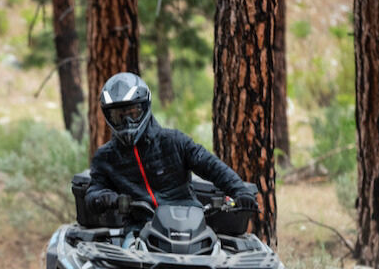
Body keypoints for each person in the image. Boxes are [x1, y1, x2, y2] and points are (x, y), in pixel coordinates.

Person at [85, 72, 258, 216]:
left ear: (145, 107)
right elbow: (93, 192)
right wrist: (105, 197)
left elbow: (211, 166)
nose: (128, 121)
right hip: (138, 230)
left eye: (133, 113)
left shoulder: (174, 141)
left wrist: (239, 191)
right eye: (119, 116)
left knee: (217, 250)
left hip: (190, 222)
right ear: (109, 117)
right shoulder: (105, 157)